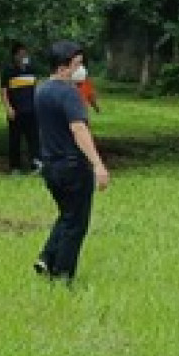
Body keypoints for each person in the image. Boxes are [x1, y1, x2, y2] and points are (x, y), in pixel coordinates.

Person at [33, 41, 109, 284]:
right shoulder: (69, 94)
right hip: (73, 166)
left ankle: (47, 257)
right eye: (77, 63)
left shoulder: (41, 91)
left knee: (67, 215)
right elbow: (79, 129)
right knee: (77, 224)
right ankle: (62, 274)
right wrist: (97, 164)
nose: (82, 69)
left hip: (50, 165)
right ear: (63, 67)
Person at [0, 42, 41, 174]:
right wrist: (8, 107)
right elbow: (3, 91)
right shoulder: (8, 71)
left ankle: (36, 164)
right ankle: (15, 167)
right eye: (21, 54)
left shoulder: (31, 69)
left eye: (25, 53)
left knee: (34, 138)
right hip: (16, 111)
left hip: (31, 110)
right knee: (15, 139)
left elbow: (36, 87)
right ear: (15, 56)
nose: (24, 56)